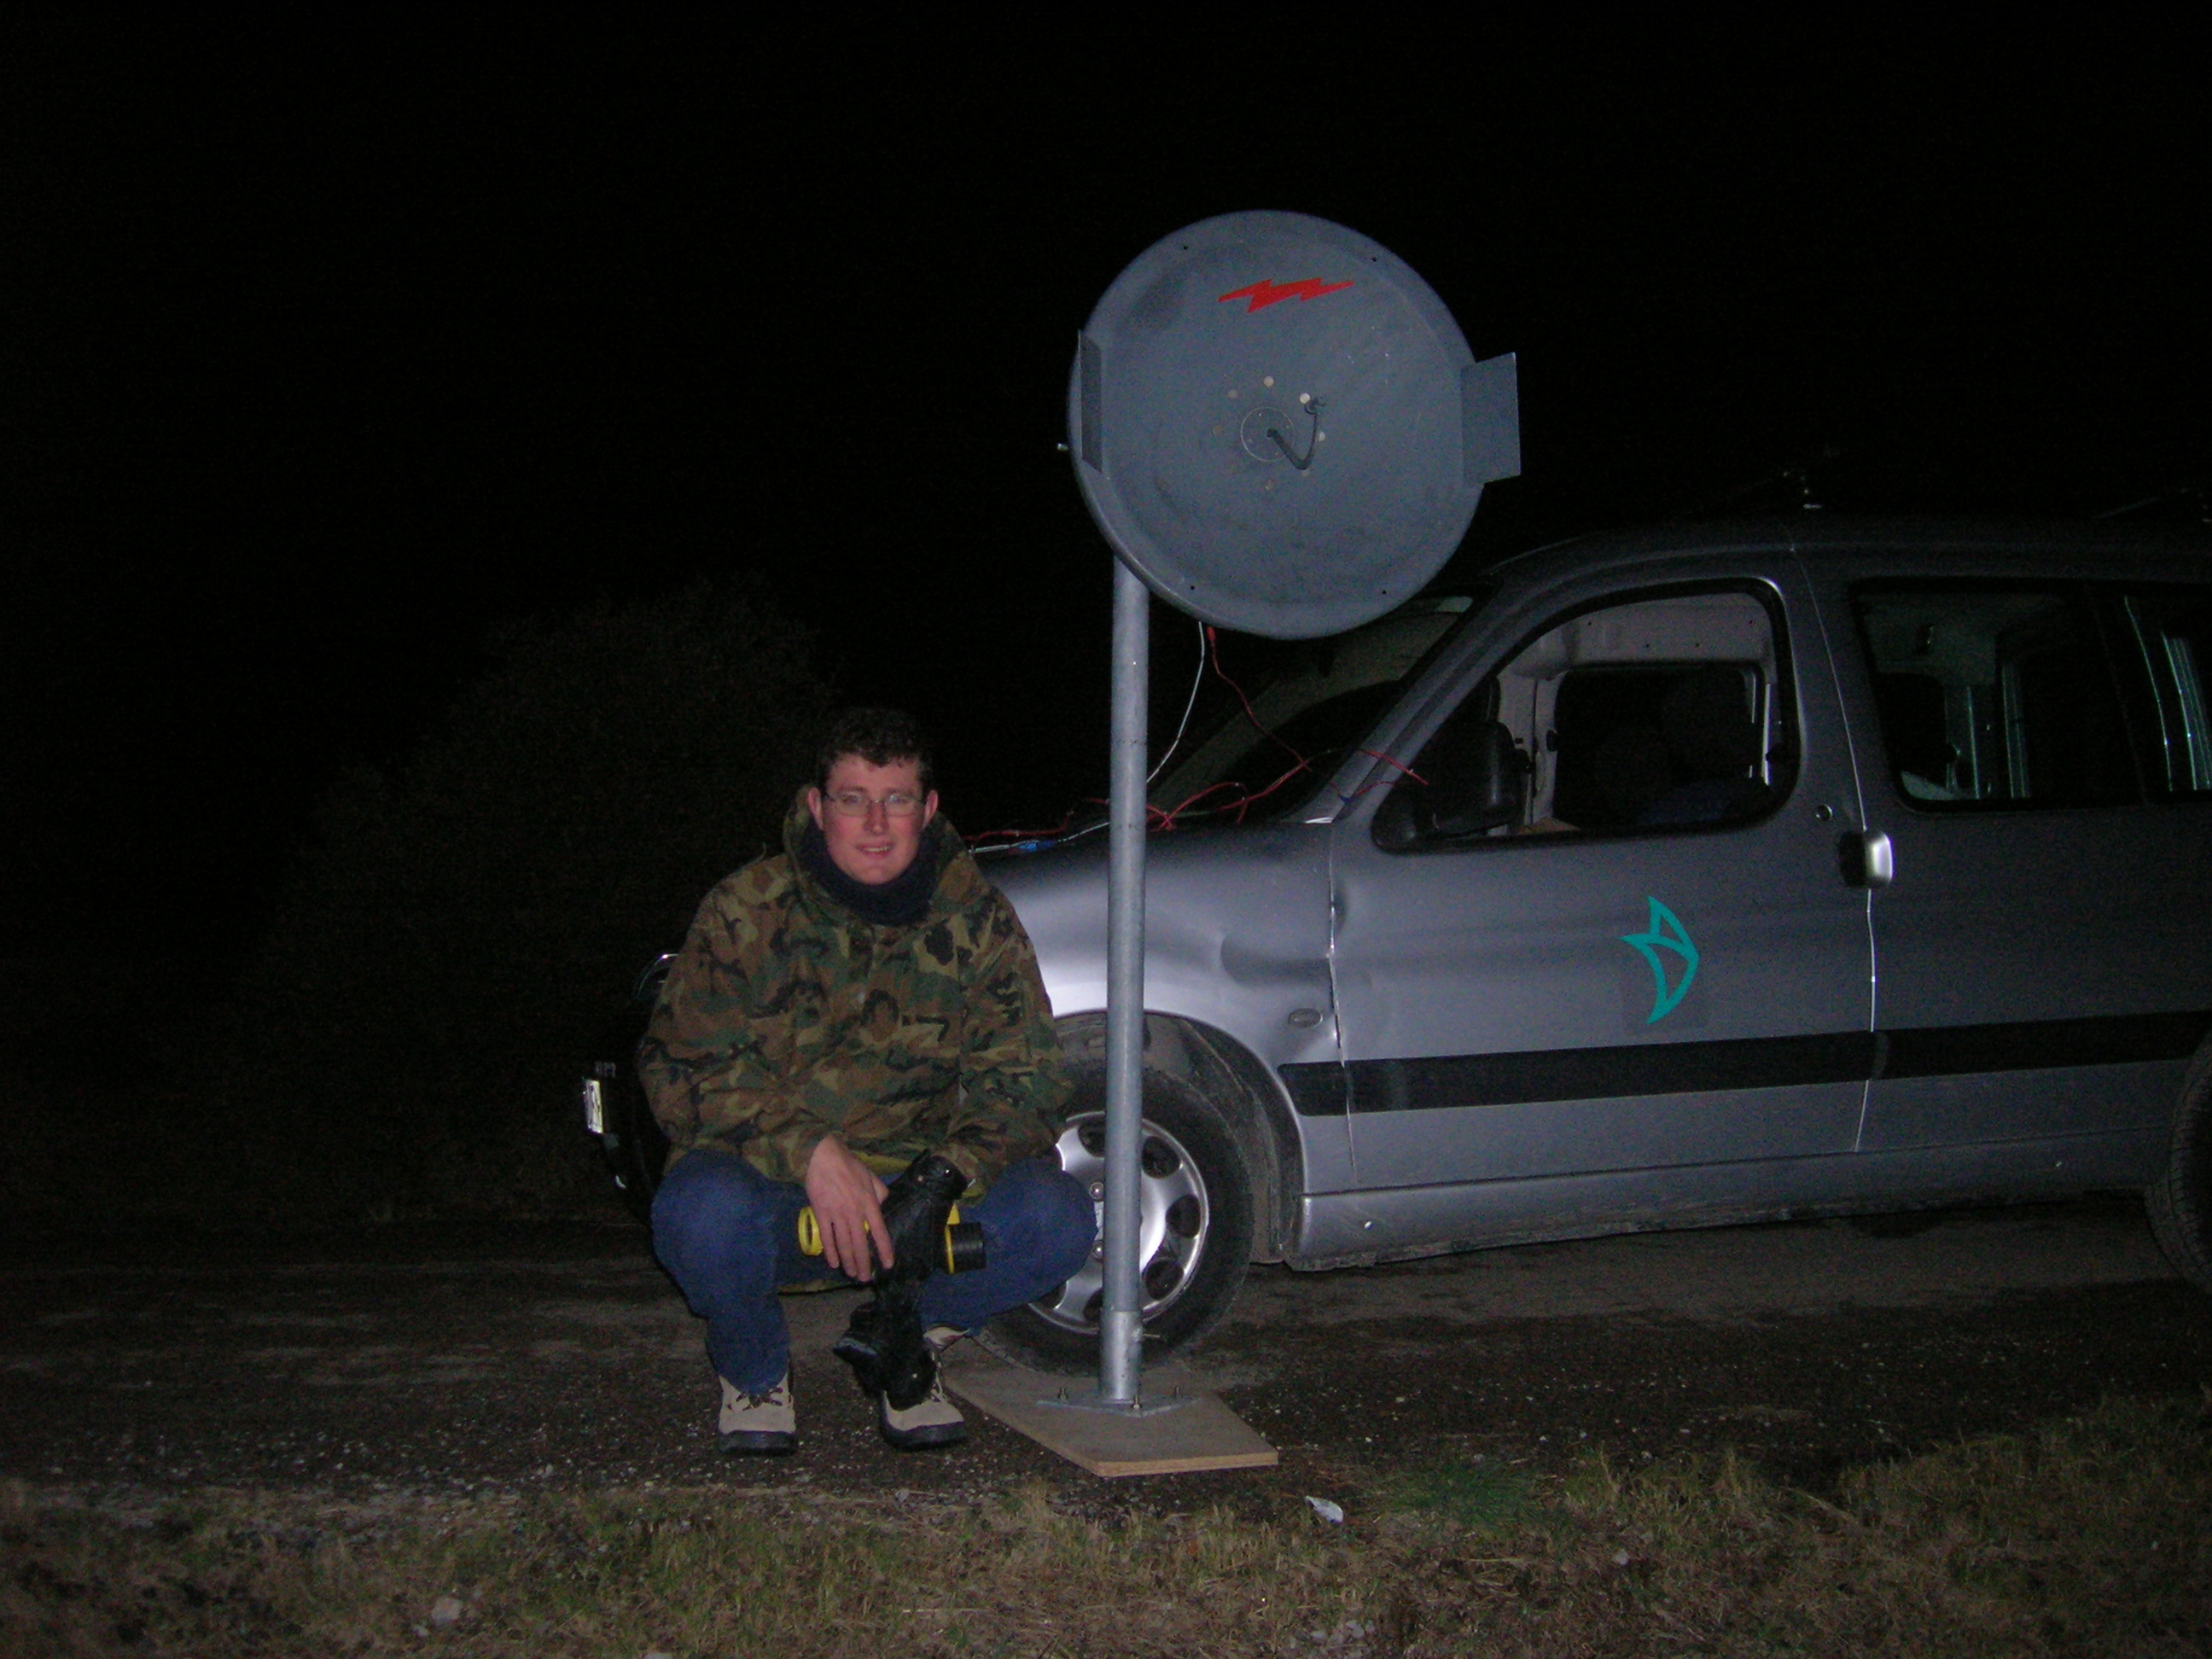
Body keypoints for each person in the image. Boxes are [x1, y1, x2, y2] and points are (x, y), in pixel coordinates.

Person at [637, 707, 1096, 1454]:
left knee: (1058, 1217)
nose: (877, 824)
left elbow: (1029, 1079)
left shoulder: (979, 919)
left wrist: (944, 1177)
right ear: (818, 807)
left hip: (916, 1202)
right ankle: (755, 1372)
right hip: (780, 1191)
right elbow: (679, 1066)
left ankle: (902, 1340)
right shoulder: (746, 909)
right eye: (853, 800)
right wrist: (811, 1152)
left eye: (897, 800)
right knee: (698, 1213)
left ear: (929, 808)